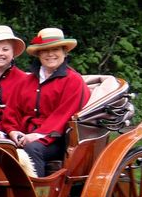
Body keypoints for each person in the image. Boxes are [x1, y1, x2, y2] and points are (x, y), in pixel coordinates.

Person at [6, 27, 91, 178]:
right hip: (25, 134)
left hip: (58, 139)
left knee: (32, 149)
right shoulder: (26, 81)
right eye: (45, 50)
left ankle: (38, 192)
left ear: (65, 52)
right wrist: (13, 131)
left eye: (55, 49)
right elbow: (12, 110)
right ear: (39, 54)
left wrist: (37, 135)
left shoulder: (73, 81)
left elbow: (64, 115)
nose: (50, 54)